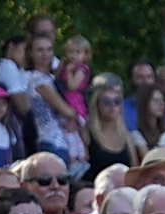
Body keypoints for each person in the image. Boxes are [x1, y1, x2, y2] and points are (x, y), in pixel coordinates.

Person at [22, 35, 82, 164]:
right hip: (51, 141)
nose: (45, 54)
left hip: (64, 141)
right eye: (40, 50)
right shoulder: (39, 81)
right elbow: (67, 111)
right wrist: (80, 111)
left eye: (49, 49)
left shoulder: (50, 78)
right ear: (31, 53)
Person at [83, 85, 141, 180]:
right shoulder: (86, 133)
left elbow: (133, 170)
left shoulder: (127, 137)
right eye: (106, 102)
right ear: (96, 105)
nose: (112, 105)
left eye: (117, 101)